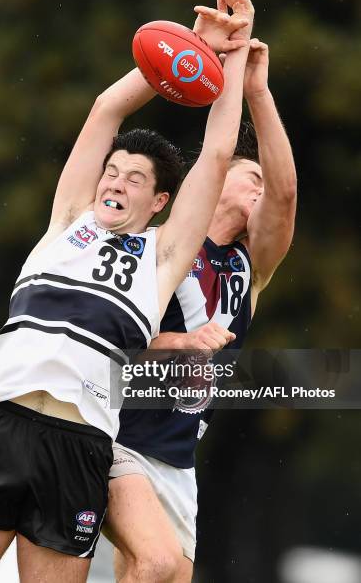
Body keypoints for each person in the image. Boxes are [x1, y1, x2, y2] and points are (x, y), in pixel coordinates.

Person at [0, 0, 254, 583]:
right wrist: (185, 51)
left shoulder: (162, 261)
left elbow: (216, 153)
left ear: (158, 202)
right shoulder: (66, 221)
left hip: (79, 451)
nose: (118, 181)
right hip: (0, 428)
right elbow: (107, 109)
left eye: (135, 179)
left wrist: (226, 65)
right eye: (113, 170)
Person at [105, 35, 297, 582]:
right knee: (156, 562)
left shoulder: (248, 268)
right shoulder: (156, 247)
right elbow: (108, 350)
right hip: (116, 435)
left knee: (162, 575)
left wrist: (257, 90)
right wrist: (179, 344)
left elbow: (285, 195)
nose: (264, 188)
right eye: (250, 177)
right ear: (211, 184)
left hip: (178, 457)